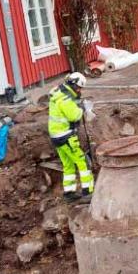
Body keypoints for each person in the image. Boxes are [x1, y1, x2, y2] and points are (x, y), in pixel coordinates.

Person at [48, 72, 95, 203]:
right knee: (83, 162)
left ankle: (69, 192)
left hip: (56, 136)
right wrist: (83, 108)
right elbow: (74, 116)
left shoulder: (58, 92)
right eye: (79, 88)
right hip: (65, 135)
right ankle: (88, 192)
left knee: (68, 165)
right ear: (73, 85)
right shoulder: (65, 100)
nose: (80, 91)